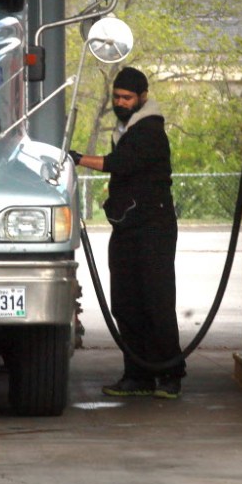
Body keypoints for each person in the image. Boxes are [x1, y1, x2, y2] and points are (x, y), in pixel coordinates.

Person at [70, 66, 186, 400]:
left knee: (156, 301)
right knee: (125, 303)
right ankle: (138, 375)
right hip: (128, 227)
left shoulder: (149, 130)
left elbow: (121, 164)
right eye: (117, 97)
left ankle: (170, 374)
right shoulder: (126, 129)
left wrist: (77, 158)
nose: (120, 102)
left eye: (127, 97)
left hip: (154, 227)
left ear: (143, 97)